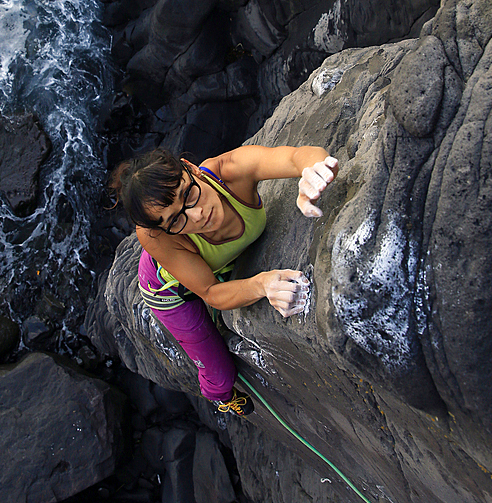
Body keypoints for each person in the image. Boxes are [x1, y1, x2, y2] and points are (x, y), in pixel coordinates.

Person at [110, 144, 338, 416]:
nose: (197, 215)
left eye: (188, 193)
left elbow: (296, 156)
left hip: (211, 265)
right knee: (220, 373)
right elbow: (211, 292)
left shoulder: (230, 171)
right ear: (164, 229)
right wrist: (261, 285)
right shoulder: (156, 236)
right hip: (169, 290)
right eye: (176, 220)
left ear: (192, 169)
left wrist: (312, 172)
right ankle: (221, 397)